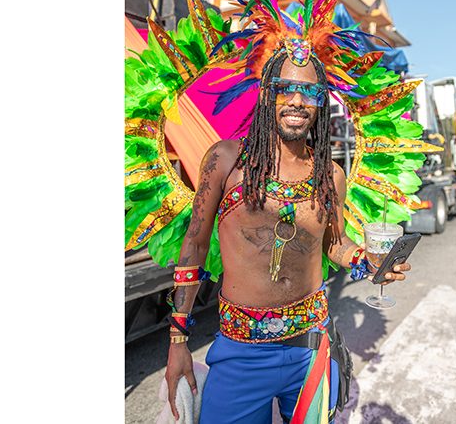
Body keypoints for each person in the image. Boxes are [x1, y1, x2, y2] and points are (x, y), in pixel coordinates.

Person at [164, 49, 412, 423]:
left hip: (310, 348)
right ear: (268, 94)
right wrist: (178, 340)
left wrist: (368, 261)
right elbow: (194, 244)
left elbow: (334, 243)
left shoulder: (330, 174)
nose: (297, 101)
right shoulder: (227, 160)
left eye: (309, 92)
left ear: (320, 103)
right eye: (286, 89)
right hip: (240, 353)